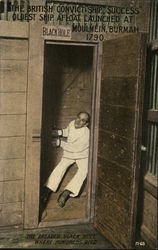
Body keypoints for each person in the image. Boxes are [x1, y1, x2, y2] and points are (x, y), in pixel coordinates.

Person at [39, 111, 90, 219]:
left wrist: (60, 143)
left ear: (86, 124)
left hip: (82, 154)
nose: (78, 121)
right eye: (78, 117)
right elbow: (69, 132)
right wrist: (60, 132)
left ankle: (66, 193)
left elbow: (76, 148)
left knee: (83, 171)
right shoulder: (73, 123)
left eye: (82, 120)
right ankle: (47, 190)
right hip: (69, 153)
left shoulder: (86, 134)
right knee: (60, 168)